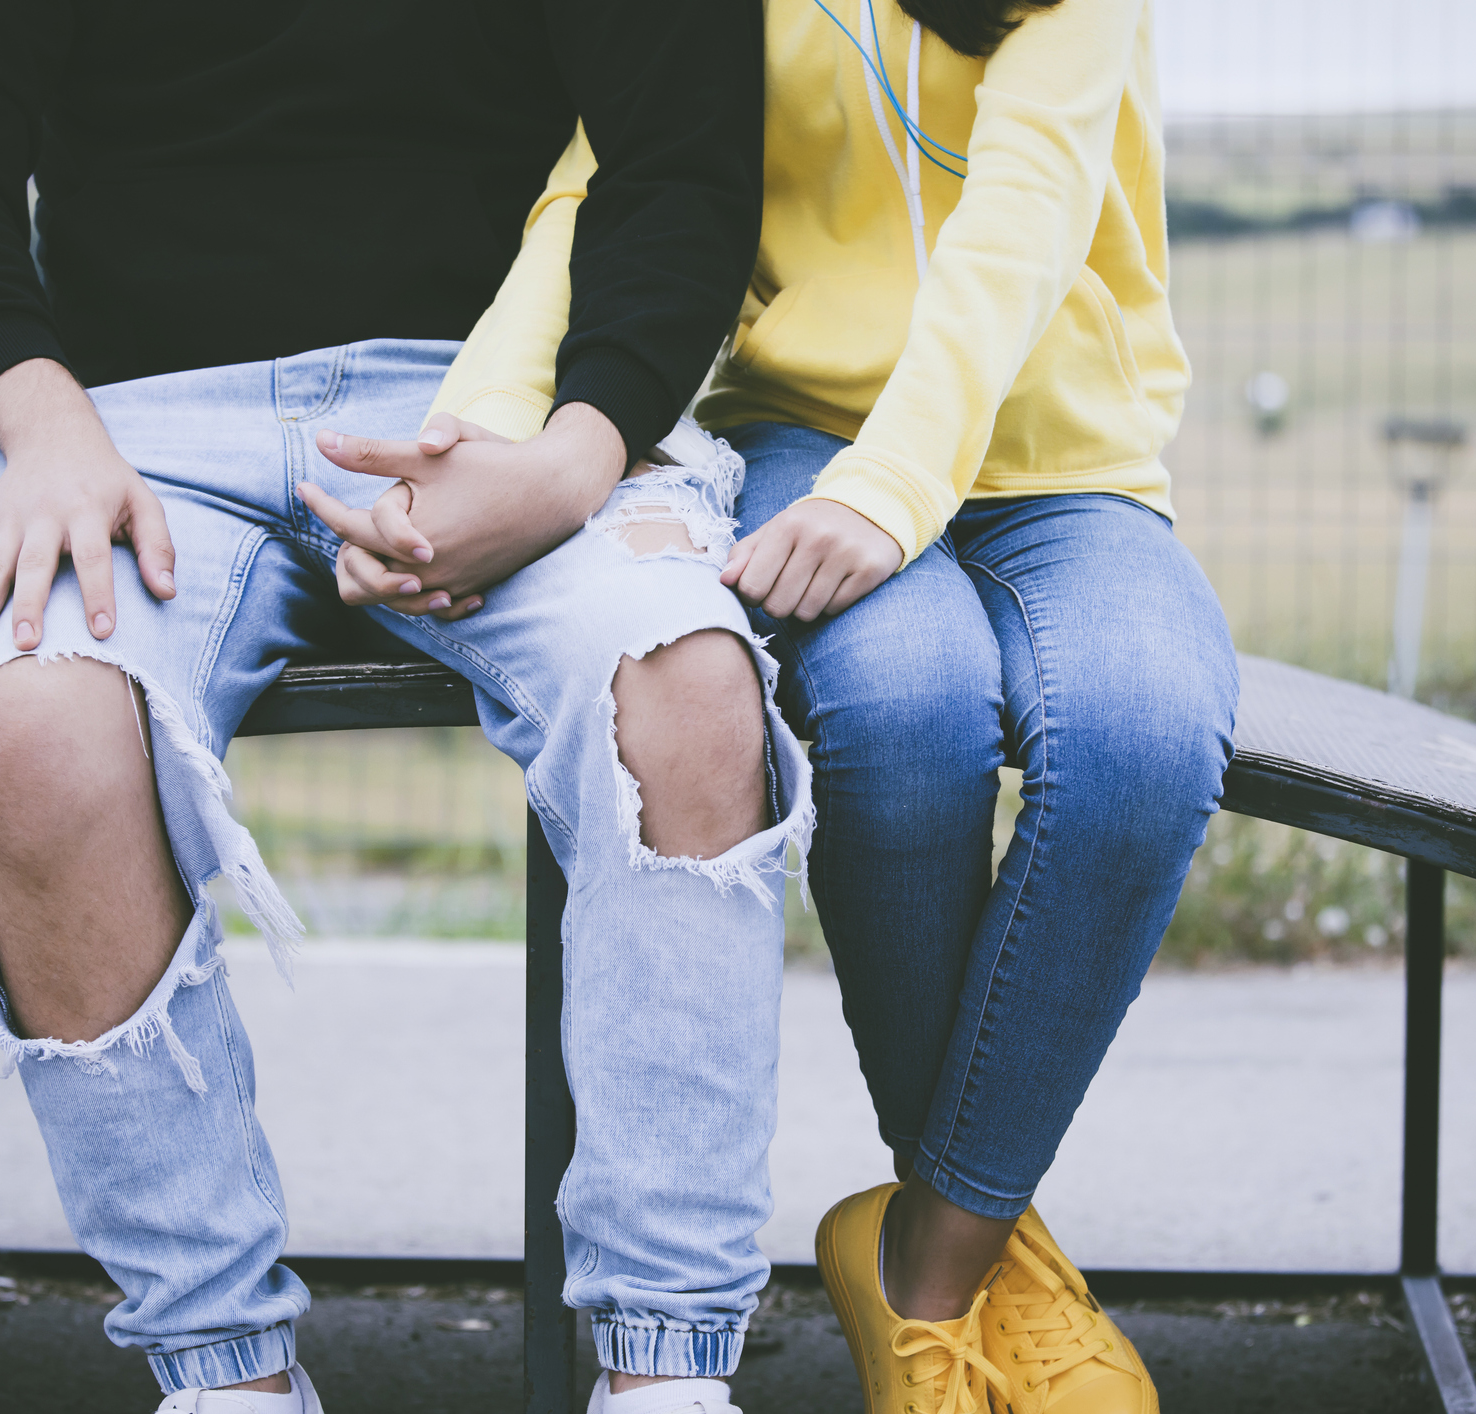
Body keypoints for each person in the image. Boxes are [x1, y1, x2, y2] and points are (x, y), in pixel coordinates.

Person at [0, 4, 803, 1410]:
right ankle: (223, 1370)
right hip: (122, 421)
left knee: (685, 682)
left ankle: (665, 1369)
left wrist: (566, 461)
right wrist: (42, 423)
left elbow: (687, 165)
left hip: (507, 407)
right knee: (39, 727)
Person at [330, 1, 1237, 1410]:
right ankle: (996, 1283)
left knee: (1145, 735)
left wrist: (892, 493)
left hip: (1064, 458)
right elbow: (595, 191)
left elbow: (1025, 211)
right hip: (806, 434)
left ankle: (928, 1275)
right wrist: (474, 440)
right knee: (904, 709)